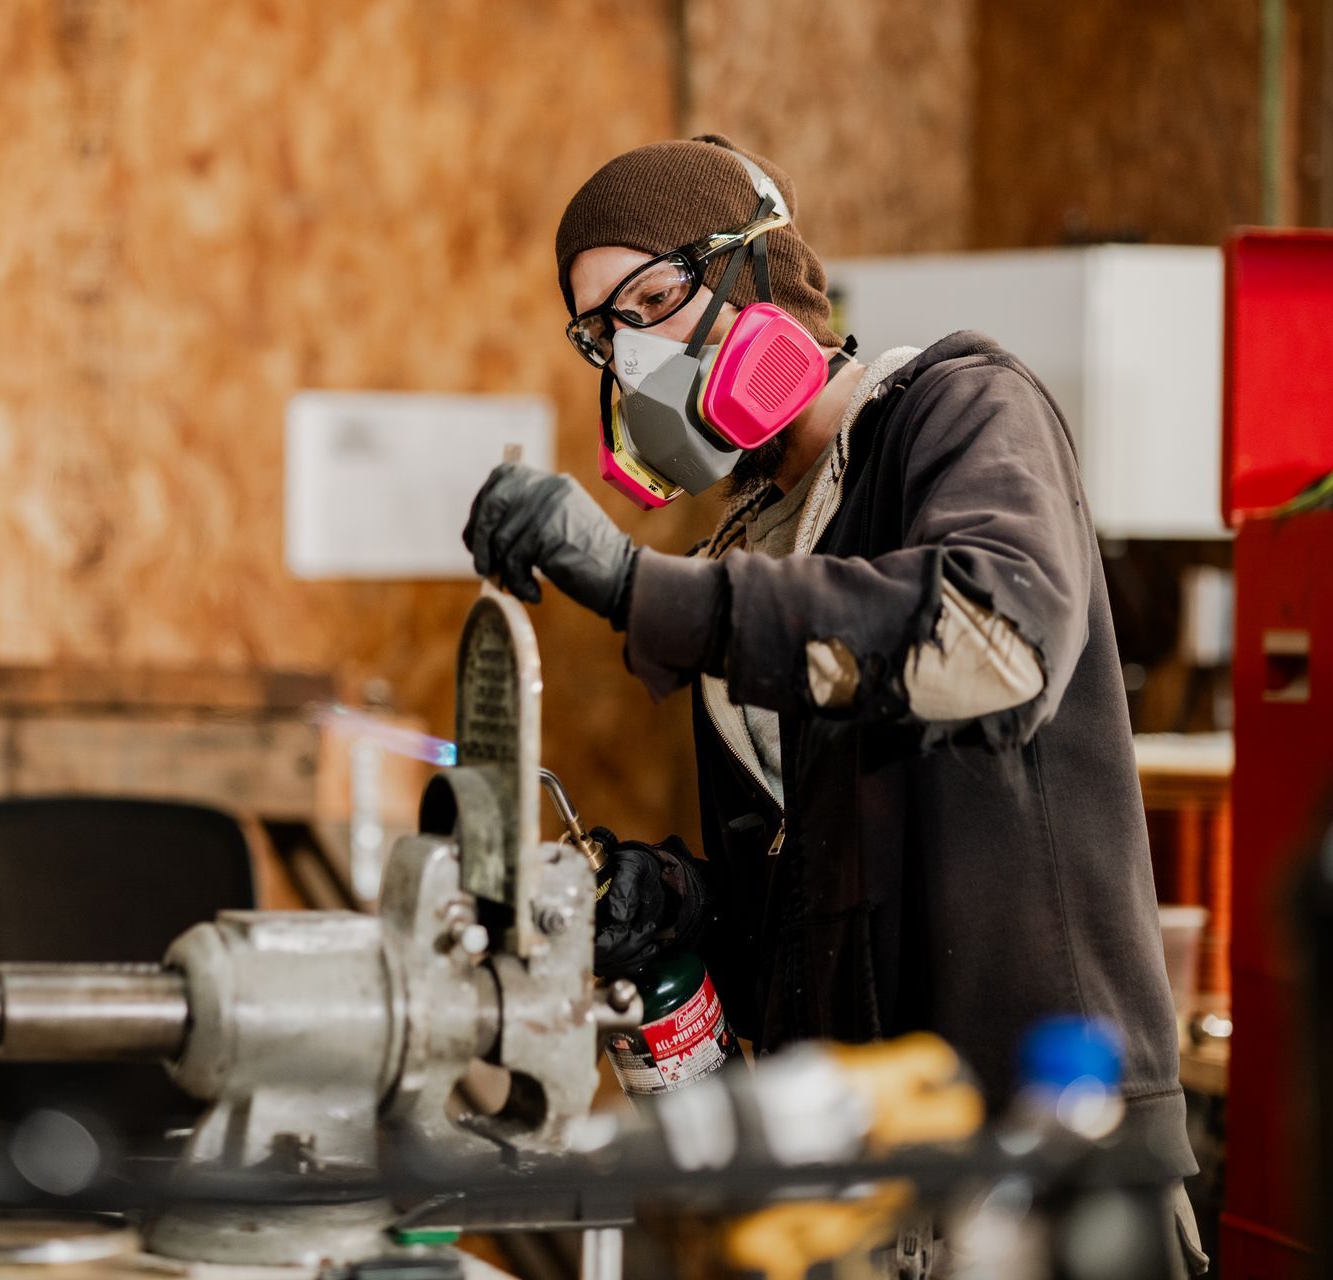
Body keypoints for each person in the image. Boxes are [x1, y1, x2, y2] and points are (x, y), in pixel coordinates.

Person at [462, 136, 1205, 1275]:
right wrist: (682, 909)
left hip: (1043, 1159)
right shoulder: (747, 549)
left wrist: (635, 585)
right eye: (606, 336)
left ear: (767, 272)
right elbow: (826, 892)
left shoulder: (958, 410)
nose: (639, 360)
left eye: (656, 300)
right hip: (851, 1185)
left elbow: (994, 642)